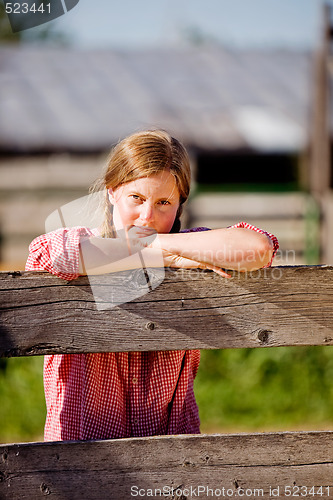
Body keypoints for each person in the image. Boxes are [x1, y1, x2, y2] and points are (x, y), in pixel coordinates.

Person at [26, 129, 279, 441]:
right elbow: (52, 255)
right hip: (82, 457)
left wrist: (163, 246)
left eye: (163, 202)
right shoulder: (84, 242)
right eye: (137, 198)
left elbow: (257, 248)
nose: (148, 216)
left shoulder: (188, 245)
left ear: (180, 202)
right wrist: (166, 255)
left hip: (170, 457)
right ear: (112, 191)